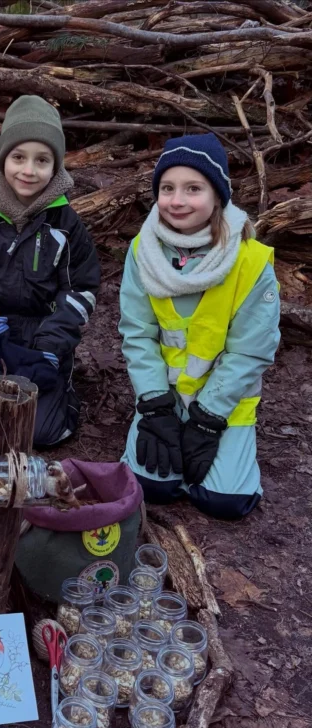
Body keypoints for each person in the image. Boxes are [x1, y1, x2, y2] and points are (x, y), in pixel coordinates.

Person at [119, 133, 280, 520]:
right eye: (167, 188)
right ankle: (158, 433)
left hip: (224, 402)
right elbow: (137, 334)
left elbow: (251, 351)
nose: (177, 201)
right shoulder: (143, 251)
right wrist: (155, 406)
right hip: (165, 398)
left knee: (225, 503)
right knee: (151, 488)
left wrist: (208, 420)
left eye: (194, 188)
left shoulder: (250, 261)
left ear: (217, 196)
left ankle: (229, 453)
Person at [0, 95, 100, 445]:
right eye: (18, 157)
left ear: (55, 167)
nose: (28, 170)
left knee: (39, 433)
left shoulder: (67, 225)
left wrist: (52, 344)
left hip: (42, 333)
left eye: (42, 160)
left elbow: (81, 290)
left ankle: (62, 395)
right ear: (2, 159)